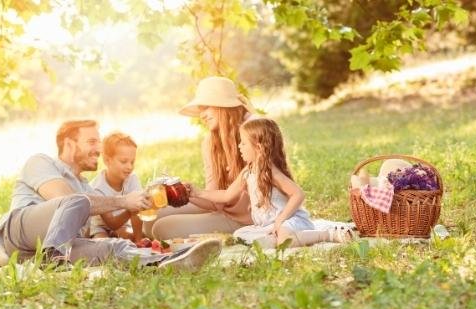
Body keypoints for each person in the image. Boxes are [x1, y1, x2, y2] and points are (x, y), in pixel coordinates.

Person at [0, 120, 220, 270]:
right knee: (77, 201)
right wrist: (123, 201)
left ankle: (169, 262)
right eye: (92, 141)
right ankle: (56, 258)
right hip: (19, 234)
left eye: (99, 142)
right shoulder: (40, 162)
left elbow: (100, 219)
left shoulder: (86, 188)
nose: (99, 149)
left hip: (44, 252)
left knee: (115, 248)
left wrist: (137, 205)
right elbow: (63, 200)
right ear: (69, 145)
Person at [189, 118, 354, 248]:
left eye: (244, 143)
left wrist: (281, 220)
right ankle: (279, 237)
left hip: (290, 220)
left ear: (259, 148)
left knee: (284, 241)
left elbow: (298, 194)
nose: (239, 146)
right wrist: (198, 193)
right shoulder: (248, 171)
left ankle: (328, 234)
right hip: (268, 225)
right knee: (242, 235)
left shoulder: (270, 171)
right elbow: (226, 195)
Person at [146, 76, 255, 240]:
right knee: (151, 217)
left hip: (247, 218)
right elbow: (213, 201)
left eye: (206, 107)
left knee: (163, 228)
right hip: (223, 207)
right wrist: (188, 193)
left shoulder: (253, 133)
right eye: (200, 109)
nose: (202, 115)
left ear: (223, 105)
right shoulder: (211, 142)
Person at [90, 132, 143, 241]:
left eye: (132, 162)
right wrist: (131, 208)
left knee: (130, 240)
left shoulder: (132, 179)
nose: (129, 167)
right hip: (100, 228)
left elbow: (137, 214)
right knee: (104, 244)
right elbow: (112, 224)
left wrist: (139, 241)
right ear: (107, 161)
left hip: (123, 225)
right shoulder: (97, 188)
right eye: (124, 161)